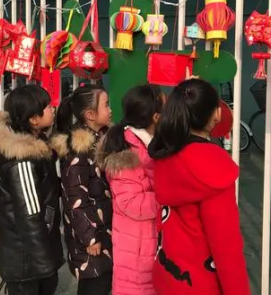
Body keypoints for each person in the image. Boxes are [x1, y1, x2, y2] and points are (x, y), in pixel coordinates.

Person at [148, 79, 250, 295]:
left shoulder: (167, 152)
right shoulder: (213, 167)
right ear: (216, 115)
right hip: (201, 284)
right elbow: (226, 247)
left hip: (167, 276)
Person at [0, 85, 64, 295]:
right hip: (27, 261)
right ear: (33, 119)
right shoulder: (22, 162)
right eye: (48, 107)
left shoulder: (37, 142)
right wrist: (45, 265)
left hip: (37, 249)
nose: (53, 108)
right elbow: (30, 215)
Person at [96, 84, 164, 295]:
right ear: (155, 116)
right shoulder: (127, 151)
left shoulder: (147, 144)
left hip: (147, 244)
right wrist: (168, 196)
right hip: (137, 251)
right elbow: (131, 203)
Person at [51, 84, 113, 295]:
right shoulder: (78, 149)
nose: (110, 110)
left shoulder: (99, 139)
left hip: (102, 229)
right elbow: (74, 197)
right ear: (90, 115)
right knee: (94, 283)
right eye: (106, 105)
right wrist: (90, 237)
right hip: (90, 237)